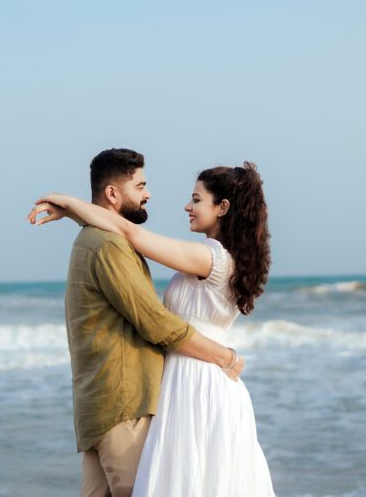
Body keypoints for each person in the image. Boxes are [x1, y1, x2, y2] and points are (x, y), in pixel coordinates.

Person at [29, 157, 275, 496]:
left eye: (197, 199)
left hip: (197, 378)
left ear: (222, 208)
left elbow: (129, 234)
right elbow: (123, 234)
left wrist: (70, 204)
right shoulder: (212, 256)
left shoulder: (211, 258)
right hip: (184, 378)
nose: (187, 206)